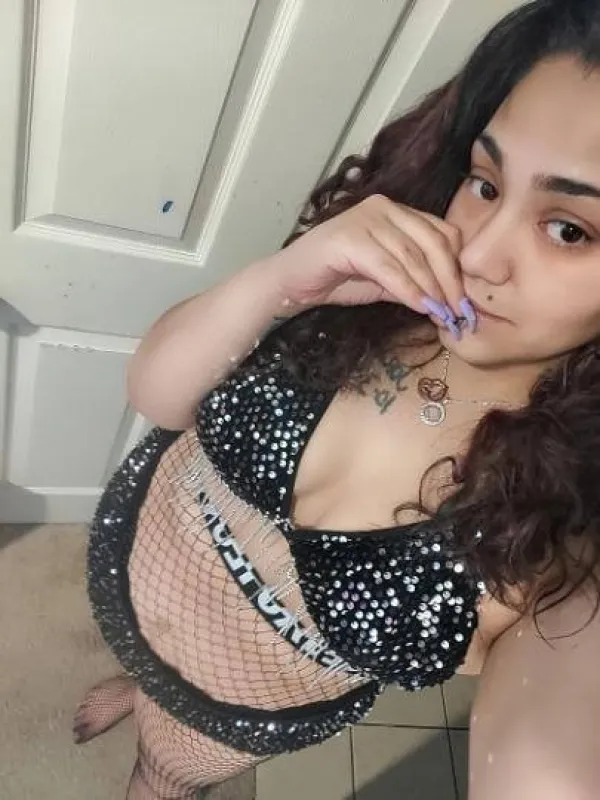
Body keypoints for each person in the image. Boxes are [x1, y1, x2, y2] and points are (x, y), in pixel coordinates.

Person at [74, 1, 600, 797]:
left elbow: (551, 761)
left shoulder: (566, 518)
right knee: (141, 673)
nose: (478, 254)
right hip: (130, 576)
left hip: (234, 707)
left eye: (570, 230)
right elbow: (157, 394)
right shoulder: (372, 288)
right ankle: (140, 686)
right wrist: (282, 283)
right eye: (485, 183)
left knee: (164, 775)